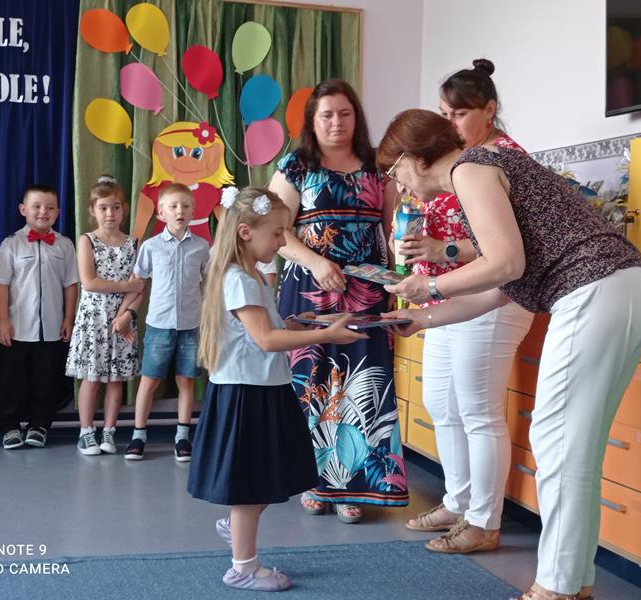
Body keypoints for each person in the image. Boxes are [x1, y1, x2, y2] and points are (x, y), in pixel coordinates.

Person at [378, 109, 641, 600]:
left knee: (559, 446)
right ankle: (572, 584)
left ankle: (555, 588)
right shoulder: (483, 171)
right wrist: (421, 318)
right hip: (625, 287)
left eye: (393, 171)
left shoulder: (469, 169)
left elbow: (506, 263)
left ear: (413, 157)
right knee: (575, 451)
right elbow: (500, 288)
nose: (398, 185)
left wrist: (432, 285)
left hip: (593, 290)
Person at [186, 186, 367, 592]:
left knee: (265, 476)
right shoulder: (240, 279)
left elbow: (269, 329)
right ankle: (243, 567)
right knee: (250, 487)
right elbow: (266, 340)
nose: (283, 242)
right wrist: (325, 336)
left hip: (263, 387)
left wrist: (306, 324)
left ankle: (237, 525)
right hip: (246, 392)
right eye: (277, 233)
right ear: (246, 232)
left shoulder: (251, 275)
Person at [398, 59, 534, 554]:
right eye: (444, 113)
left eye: (459, 114)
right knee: (441, 403)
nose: (449, 123)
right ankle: (458, 503)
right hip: (448, 295)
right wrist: (413, 247)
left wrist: (443, 251)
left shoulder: (501, 158)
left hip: (494, 296)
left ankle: (484, 522)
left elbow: (510, 248)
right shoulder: (458, 162)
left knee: (478, 410)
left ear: (489, 110)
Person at [268, 79, 406, 524]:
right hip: (309, 290)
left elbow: (393, 231)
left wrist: (401, 283)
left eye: (344, 113)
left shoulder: (378, 166)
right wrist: (315, 262)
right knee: (312, 382)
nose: (336, 122)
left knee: (364, 385)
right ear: (313, 120)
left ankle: (354, 484)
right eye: (326, 114)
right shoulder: (296, 164)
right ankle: (314, 480)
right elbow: (276, 230)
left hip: (367, 293)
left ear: (356, 117)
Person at [117, 183, 209, 462]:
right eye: (173, 206)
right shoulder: (151, 246)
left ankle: (182, 437)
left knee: (186, 380)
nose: (180, 211)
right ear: (161, 213)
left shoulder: (202, 247)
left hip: (191, 326)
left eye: (185, 206)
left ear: (193, 211)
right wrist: (125, 313)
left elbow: (209, 283)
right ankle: (138, 435)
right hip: (159, 325)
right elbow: (138, 283)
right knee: (150, 380)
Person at [0, 184, 79, 449]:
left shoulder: (65, 245)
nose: (43, 212)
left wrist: (68, 318)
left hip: (51, 327)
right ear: (23, 209)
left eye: (50, 207)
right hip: (18, 326)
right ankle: (9, 425)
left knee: (45, 378)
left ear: (58, 212)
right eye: (37, 206)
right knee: (12, 379)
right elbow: (1, 284)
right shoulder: (11, 244)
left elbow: (70, 284)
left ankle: (39, 425)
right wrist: (2, 320)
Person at [65, 175, 144, 456]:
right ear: (92, 210)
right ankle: (86, 431)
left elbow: (140, 287)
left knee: (115, 379)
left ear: (124, 210)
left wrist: (123, 317)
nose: (110, 213)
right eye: (103, 208)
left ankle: (109, 430)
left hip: (122, 320)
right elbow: (90, 282)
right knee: (92, 378)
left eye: (115, 207)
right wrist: (125, 287)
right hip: (93, 319)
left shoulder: (135, 244)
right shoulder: (87, 241)